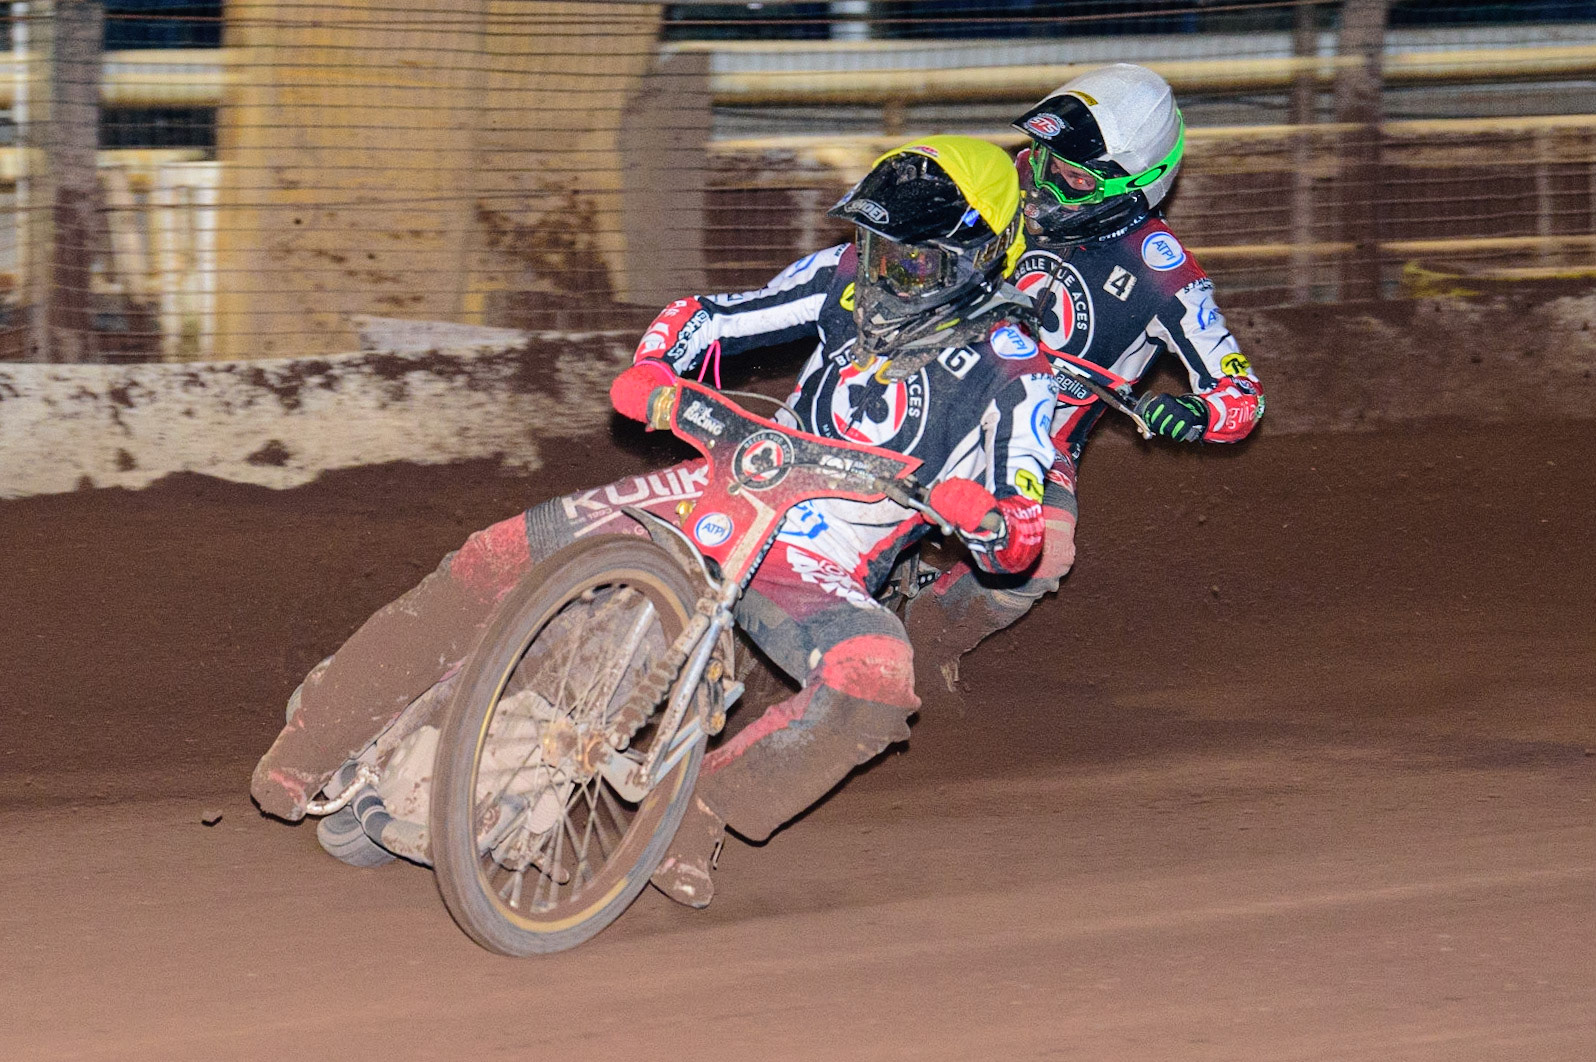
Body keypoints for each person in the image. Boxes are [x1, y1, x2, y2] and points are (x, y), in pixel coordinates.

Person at [252, 135, 1059, 911]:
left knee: (873, 683)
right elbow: (707, 315)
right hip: (722, 482)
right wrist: (654, 366)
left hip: (821, 558)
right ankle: (319, 736)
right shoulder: (839, 275)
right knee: (497, 552)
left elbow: (1023, 503)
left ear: (983, 258)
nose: (886, 272)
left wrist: (994, 524)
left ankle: (699, 813)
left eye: (914, 261)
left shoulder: (1017, 368)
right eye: (878, 248)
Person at [903, 63, 1266, 686]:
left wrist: (1196, 412)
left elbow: (1243, 395)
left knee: (1048, 553)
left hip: (1039, 442)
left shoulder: (1163, 274)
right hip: (928, 379)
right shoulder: (1007, 178)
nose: (1039, 177)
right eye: (1044, 156)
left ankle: (926, 644)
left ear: (1135, 185)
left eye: (1071, 173)